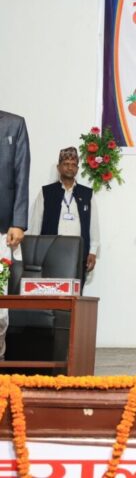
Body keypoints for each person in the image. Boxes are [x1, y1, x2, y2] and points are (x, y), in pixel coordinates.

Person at [29, 147, 99, 285]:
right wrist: (33, 253)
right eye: (66, 164)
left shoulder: (87, 194)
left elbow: (93, 225)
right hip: (50, 253)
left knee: (75, 293)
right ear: (58, 167)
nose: (70, 168)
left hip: (78, 255)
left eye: (73, 165)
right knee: (50, 291)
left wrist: (93, 251)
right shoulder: (46, 192)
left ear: (77, 169)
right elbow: (36, 224)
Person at [0, 110, 30, 360]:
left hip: (2, 229)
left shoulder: (14, 124)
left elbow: (21, 172)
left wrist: (18, 222)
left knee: (0, 307)